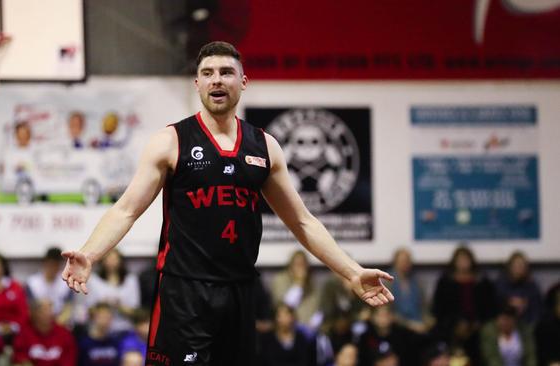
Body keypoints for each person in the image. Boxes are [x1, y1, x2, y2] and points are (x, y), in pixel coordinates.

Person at [61, 41, 394, 366]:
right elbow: (126, 209)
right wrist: (90, 254)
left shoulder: (265, 147)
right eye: (207, 73)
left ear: (243, 82)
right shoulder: (170, 142)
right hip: (184, 292)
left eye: (225, 72)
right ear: (198, 84)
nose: (216, 79)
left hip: (239, 293)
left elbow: (303, 222)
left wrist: (352, 272)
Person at [12, 299, 77, 366]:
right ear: (34, 313)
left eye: (50, 310)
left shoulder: (65, 334)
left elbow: (69, 360)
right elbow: (20, 358)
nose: (48, 313)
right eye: (44, 310)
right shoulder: (24, 333)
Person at [271, 250, 322, 331]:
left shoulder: (312, 282)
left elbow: (319, 309)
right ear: (290, 266)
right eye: (297, 264)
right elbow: (286, 306)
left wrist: (313, 324)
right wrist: (299, 283)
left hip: (311, 328)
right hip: (288, 328)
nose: (301, 269)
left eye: (303, 265)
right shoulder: (280, 280)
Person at [25, 247, 74, 327]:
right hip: (38, 323)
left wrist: (57, 324)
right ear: (45, 263)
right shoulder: (32, 283)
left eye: (56, 264)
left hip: (60, 323)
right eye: (50, 264)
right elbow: (30, 309)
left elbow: (68, 308)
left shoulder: (66, 283)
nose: (53, 268)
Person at [495, 251, 543, 325]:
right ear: (510, 267)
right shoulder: (500, 284)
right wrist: (509, 303)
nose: (519, 268)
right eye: (516, 265)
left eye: (522, 266)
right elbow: (496, 306)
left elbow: (537, 311)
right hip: (504, 325)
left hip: (527, 325)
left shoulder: (532, 286)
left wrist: (526, 303)